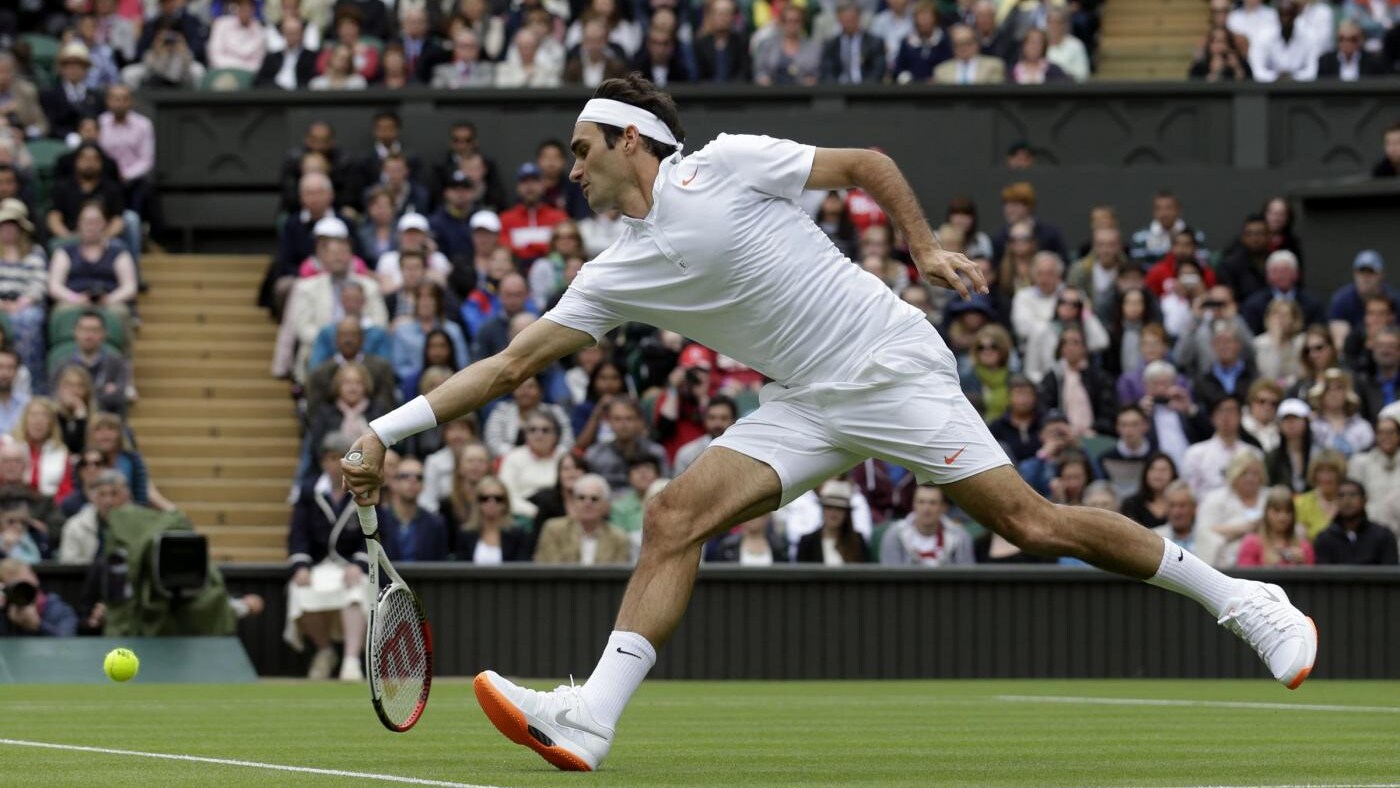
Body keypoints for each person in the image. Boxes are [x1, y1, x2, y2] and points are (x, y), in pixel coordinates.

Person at [340, 75, 1318, 773]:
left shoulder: (725, 165)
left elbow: (866, 163)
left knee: (1030, 522)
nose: (572, 171)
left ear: (631, 138)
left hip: (887, 363)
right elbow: (508, 366)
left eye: (584, 151)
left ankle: (1244, 600)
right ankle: (591, 716)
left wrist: (920, 246)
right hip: (806, 400)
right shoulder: (613, 271)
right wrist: (385, 428)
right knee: (674, 513)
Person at [286, 435, 370, 681]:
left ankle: (351, 660)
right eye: (332, 458)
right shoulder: (308, 491)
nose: (337, 463)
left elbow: (375, 532)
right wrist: (301, 566)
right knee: (300, 591)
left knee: (356, 590)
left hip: (353, 567)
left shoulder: (366, 488)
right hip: (319, 565)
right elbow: (298, 533)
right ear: (323, 462)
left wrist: (358, 564)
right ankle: (325, 651)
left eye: (343, 457)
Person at [46, 203, 138, 321]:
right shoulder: (64, 252)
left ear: (104, 223)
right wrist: (76, 299)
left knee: (120, 313)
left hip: (110, 302)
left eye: (95, 222)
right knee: (62, 312)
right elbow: (54, 286)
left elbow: (130, 287)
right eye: (87, 221)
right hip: (72, 301)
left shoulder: (119, 253)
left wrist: (109, 299)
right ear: (79, 223)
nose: (91, 226)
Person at [533, 473, 632, 564]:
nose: (587, 503)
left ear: (606, 505)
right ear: (573, 502)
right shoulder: (554, 530)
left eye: (594, 499)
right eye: (581, 498)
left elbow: (618, 575)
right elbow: (548, 570)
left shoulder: (619, 538)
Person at [1194, 450, 1268, 567]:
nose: (1250, 478)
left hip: (1266, 561)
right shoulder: (1215, 498)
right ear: (1234, 474)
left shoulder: (1269, 497)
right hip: (1225, 563)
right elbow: (1205, 530)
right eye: (1244, 473)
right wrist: (1244, 528)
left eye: (1255, 473)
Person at [0, 199, 47, 379]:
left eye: (13, 226)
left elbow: (39, 282)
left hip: (26, 303)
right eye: (4, 225)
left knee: (29, 320)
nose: (8, 230)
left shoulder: (35, 252)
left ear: (21, 229)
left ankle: (30, 377)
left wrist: (23, 302)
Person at [583, 397, 668, 493]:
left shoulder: (655, 452)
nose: (623, 424)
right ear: (609, 421)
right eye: (617, 419)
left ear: (639, 421)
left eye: (629, 418)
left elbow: (665, 486)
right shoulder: (595, 454)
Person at [879, 484, 974, 566]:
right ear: (913, 505)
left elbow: (966, 577)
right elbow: (890, 577)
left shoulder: (960, 536)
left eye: (932, 503)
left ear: (943, 507)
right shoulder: (895, 535)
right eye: (921, 502)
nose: (926, 509)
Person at [378, 457, 450, 562]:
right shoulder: (378, 520)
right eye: (404, 476)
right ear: (393, 482)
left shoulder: (435, 523)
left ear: (423, 485)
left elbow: (441, 563)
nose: (412, 480)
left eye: (419, 477)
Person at [498, 410, 568, 518]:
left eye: (545, 430)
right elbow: (506, 495)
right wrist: (536, 512)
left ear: (556, 435)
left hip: (560, 513)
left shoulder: (564, 457)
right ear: (525, 435)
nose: (539, 435)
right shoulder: (513, 457)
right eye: (532, 430)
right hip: (524, 514)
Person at [1312, 480, 1398, 564]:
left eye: (1353, 495)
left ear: (1364, 500)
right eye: (1341, 496)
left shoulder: (1383, 536)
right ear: (1336, 501)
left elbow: (1390, 570)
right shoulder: (1325, 538)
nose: (1347, 500)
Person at [458, 475, 533, 563]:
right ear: (478, 502)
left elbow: (522, 566)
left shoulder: (518, 535)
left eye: (498, 499)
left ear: (505, 503)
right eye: (485, 499)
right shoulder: (466, 534)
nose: (491, 503)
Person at [1236, 486, 1315, 567]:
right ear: (1266, 512)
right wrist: (1271, 565)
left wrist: (1301, 564)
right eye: (1277, 511)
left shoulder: (1304, 548)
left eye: (1288, 511)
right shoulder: (1251, 543)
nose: (1283, 517)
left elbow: (1312, 573)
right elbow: (1244, 573)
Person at [795, 479, 869, 564]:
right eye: (829, 507)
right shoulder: (807, 542)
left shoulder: (857, 541)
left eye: (839, 508)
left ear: (846, 513)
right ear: (822, 509)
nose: (833, 513)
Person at [0, 558, 78, 635]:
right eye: (14, 590)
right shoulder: (5, 611)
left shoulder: (58, 610)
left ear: (35, 578)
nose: (21, 594)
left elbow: (67, 638)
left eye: (24, 586)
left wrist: (38, 625)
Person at [1349, 414, 1400, 529]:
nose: (1386, 437)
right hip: (1371, 528)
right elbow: (1353, 498)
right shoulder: (1360, 463)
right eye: (1381, 432)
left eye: (1391, 432)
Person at [1291, 450, 1348, 537]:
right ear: (1314, 474)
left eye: (1331, 471)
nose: (1325, 477)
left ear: (1339, 474)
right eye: (1320, 471)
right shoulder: (1301, 503)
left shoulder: (1348, 502)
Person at [1120, 453, 1177, 529]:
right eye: (1153, 469)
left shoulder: (1180, 504)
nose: (1158, 474)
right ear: (1145, 473)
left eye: (1163, 470)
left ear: (1173, 474)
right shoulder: (1131, 504)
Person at [934, 24, 1005, 84]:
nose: (963, 48)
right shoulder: (941, 71)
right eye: (958, 44)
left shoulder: (994, 66)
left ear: (977, 44)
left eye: (967, 43)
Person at [1152, 481, 1199, 555]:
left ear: (1194, 508)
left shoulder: (1212, 540)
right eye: (1172, 505)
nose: (1176, 512)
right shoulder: (1153, 538)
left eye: (1182, 506)